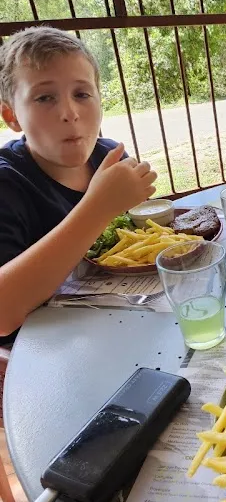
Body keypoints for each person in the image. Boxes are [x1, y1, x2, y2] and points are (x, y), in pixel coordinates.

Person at [0, 26, 157, 343]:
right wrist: (98, 207)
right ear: (11, 116)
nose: (69, 113)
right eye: (45, 98)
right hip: (41, 352)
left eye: (82, 94)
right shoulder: (8, 183)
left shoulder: (108, 157)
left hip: (121, 325)